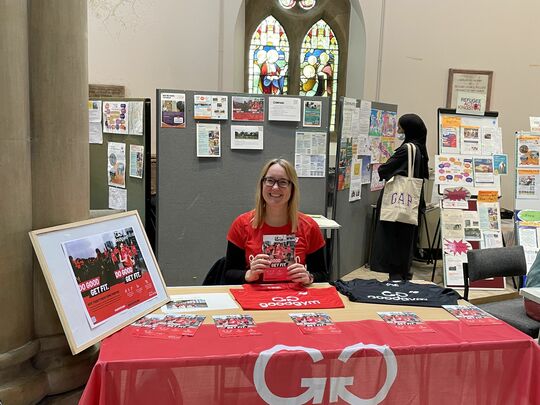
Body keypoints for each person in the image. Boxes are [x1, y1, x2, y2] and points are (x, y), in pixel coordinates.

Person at [224, 158, 327, 285]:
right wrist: (249, 274)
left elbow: (323, 274)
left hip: (295, 300)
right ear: (262, 184)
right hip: (254, 299)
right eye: (270, 181)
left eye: (283, 182)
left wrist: (309, 277)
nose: (275, 187)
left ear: (292, 188)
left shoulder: (309, 226)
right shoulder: (241, 224)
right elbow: (228, 274)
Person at [370, 114, 430, 281]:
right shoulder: (419, 148)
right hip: (412, 202)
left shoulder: (406, 149)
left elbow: (384, 170)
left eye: (401, 128)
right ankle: (403, 275)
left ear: (409, 129)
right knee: (406, 241)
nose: (398, 131)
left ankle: (396, 278)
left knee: (394, 241)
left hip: (398, 201)